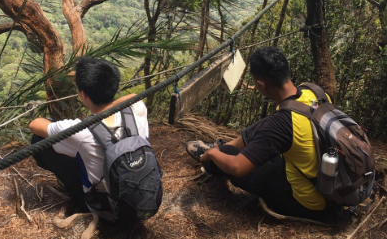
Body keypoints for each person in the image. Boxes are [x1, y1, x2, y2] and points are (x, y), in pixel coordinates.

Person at [186, 46, 339, 221]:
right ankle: (221, 148)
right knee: (264, 125)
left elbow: (238, 168)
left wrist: (213, 154)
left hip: (309, 202)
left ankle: (209, 157)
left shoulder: (282, 123)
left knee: (229, 156)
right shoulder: (312, 91)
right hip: (328, 180)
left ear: (261, 83)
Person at [29, 57, 149, 213]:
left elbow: (34, 125)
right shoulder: (137, 108)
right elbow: (132, 96)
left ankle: (77, 195)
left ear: (83, 94)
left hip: (105, 208)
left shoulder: (79, 130)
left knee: (38, 140)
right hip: (143, 193)